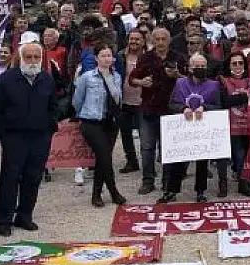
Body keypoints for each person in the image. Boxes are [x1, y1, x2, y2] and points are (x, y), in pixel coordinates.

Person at [0, 42, 58, 235]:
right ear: (21, 58)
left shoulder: (47, 80)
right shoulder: (5, 80)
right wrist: (3, 135)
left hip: (40, 137)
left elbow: (53, 106)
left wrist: (49, 127)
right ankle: (3, 220)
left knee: (33, 177)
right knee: (10, 178)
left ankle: (24, 216)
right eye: (28, 57)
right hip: (14, 137)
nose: (33, 61)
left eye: (36, 57)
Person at [128, 28, 186, 194]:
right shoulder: (145, 58)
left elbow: (189, 80)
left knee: (168, 148)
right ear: (152, 41)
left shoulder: (178, 57)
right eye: (157, 39)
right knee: (147, 147)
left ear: (168, 40)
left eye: (163, 39)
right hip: (149, 107)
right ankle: (147, 180)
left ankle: (167, 182)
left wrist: (178, 76)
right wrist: (142, 81)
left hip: (171, 109)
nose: (160, 42)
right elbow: (132, 79)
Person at [160, 54, 221, 203]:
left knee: (202, 161)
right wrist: (183, 108)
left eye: (202, 66)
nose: (199, 69)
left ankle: (201, 191)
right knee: (178, 160)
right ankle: (172, 190)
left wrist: (204, 107)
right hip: (183, 127)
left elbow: (219, 106)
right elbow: (171, 104)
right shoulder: (180, 84)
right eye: (196, 66)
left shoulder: (214, 85)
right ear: (190, 67)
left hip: (203, 127)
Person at [73, 44, 127, 208]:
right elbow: (77, 100)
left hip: (110, 121)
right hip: (91, 121)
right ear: (96, 58)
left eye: (109, 55)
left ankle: (104, 193)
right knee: (103, 155)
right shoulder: (87, 77)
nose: (106, 58)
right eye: (103, 55)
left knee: (105, 158)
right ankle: (107, 192)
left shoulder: (116, 76)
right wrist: (83, 114)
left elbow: (118, 97)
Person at [219, 52, 250, 197]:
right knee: (238, 154)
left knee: (248, 153)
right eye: (234, 63)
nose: (238, 66)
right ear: (229, 65)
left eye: (240, 63)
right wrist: (244, 97)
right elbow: (224, 101)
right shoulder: (223, 81)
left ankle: (247, 178)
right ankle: (242, 182)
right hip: (232, 125)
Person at [116, 30, 145, 174]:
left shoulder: (148, 57)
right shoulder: (120, 56)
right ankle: (131, 161)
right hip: (124, 100)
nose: (134, 42)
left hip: (143, 101)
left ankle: (147, 162)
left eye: (137, 39)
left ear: (143, 41)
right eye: (131, 39)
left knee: (144, 134)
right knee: (126, 133)